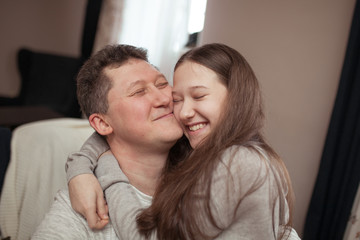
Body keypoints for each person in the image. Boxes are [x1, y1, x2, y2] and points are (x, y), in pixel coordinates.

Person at [65, 43, 300, 239]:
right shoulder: (205, 151)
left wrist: (105, 167)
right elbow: (111, 132)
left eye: (199, 96)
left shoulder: (237, 163)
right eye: (177, 99)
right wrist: (80, 167)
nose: (184, 111)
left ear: (236, 97)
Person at [32, 44, 184, 239]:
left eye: (162, 84)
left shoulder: (209, 183)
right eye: (139, 91)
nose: (164, 98)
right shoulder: (82, 209)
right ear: (102, 123)